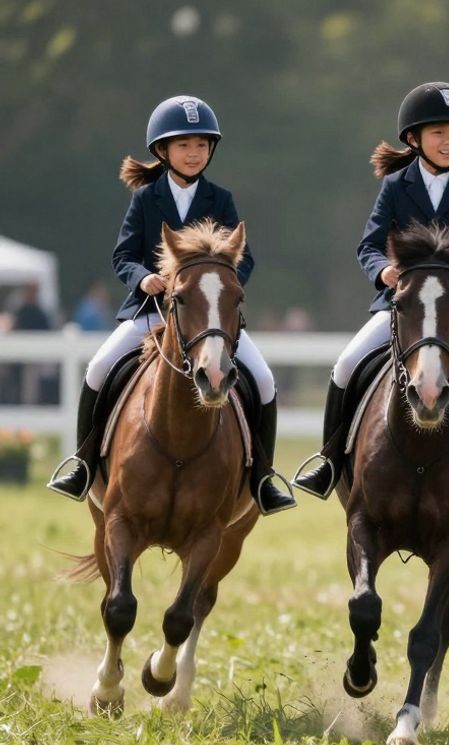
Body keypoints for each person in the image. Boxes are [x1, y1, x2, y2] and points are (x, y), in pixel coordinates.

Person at [291, 82, 449, 516]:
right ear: (414, 138)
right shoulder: (396, 186)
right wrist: (383, 272)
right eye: (439, 133)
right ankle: (330, 460)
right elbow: (369, 245)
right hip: (405, 308)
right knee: (346, 366)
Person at [47, 95, 295, 513]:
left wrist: (220, 289)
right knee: (99, 369)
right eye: (184, 145)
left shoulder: (220, 199)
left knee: (264, 381)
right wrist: (143, 278)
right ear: (162, 150)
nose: (194, 153)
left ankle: (262, 477)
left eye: (201, 145)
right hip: (151, 313)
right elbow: (123, 256)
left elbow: (244, 258)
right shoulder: (147, 198)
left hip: (208, 319)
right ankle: (84, 463)